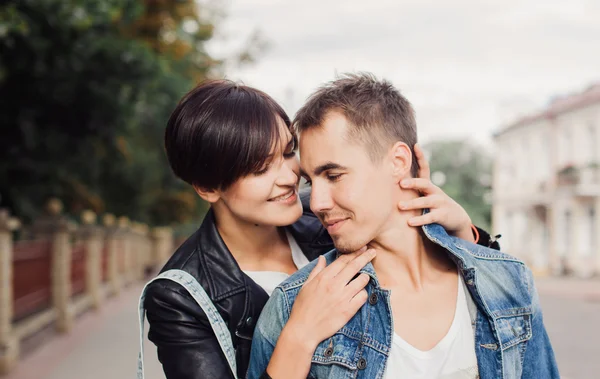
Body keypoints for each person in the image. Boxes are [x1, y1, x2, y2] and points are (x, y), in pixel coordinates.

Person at [141, 80, 499, 379]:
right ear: (208, 188)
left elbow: (491, 305)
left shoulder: (329, 216)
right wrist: (300, 334)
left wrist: (461, 232)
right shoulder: (179, 298)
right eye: (259, 169)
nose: (288, 178)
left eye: (286, 153)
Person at [247, 73, 559, 379]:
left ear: (398, 161)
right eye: (311, 181)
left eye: (333, 175)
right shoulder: (294, 304)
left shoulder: (507, 280)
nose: (316, 203)